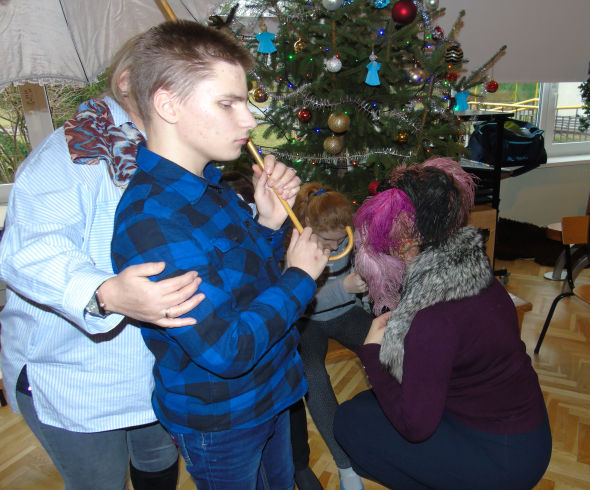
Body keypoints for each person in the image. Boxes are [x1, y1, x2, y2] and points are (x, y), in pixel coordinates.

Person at [110, 21, 329, 489]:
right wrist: (299, 277)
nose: (249, 120)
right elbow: (226, 349)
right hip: (224, 421)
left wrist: (268, 223)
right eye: (227, 104)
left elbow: (242, 282)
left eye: (245, 103)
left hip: (270, 393)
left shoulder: (212, 187)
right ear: (168, 105)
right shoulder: (152, 221)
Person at [0, 34, 206, 490]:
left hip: (153, 363)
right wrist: (107, 292)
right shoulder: (74, 152)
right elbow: (29, 251)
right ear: (128, 82)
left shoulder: (175, 153)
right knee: (100, 481)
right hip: (73, 373)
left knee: (157, 458)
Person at [333, 158, 552, 490]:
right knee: (365, 408)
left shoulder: (433, 315)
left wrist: (372, 354)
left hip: (501, 460)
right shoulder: (471, 269)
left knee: (348, 423)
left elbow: (415, 428)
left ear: (407, 241)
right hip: (524, 432)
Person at [287, 183, 372, 490]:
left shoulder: (349, 236)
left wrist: (367, 292)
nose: (336, 247)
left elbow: (364, 285)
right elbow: (296, 302)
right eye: (328, 240)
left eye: (341, 239)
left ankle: (392, 432)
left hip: (346, 315)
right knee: (312, 375)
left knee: (386, 345)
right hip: (306, 323)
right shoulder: (293, 245)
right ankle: (344, 465)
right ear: (308, 226)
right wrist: (344, 288)